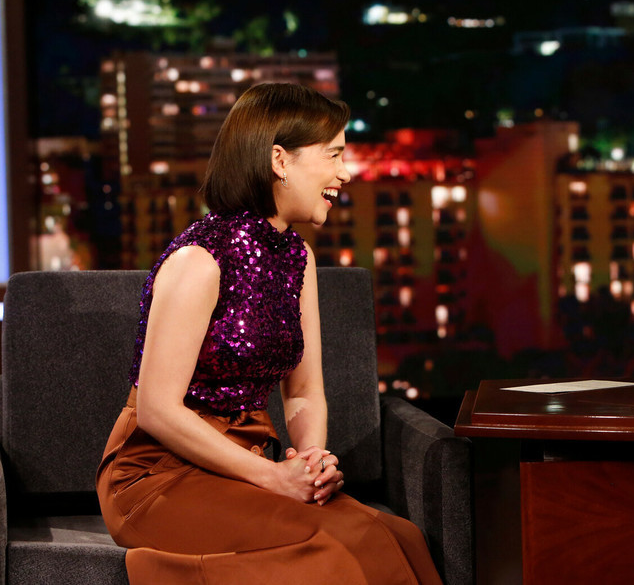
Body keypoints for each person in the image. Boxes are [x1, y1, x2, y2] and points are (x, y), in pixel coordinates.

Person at [96, 83, 443, 584]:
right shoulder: (200, 260)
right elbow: (156, 410)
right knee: (337, 551)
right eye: (333, 155)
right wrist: (274, 477)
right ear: (279, 160)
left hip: (248, 462)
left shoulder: (298, 258)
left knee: (398, 536)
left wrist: (310, 464)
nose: (345, 173)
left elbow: (304, 390)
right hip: (159, 476)